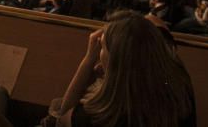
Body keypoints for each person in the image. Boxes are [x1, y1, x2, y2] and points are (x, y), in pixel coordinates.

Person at [50, 12, 195, 126]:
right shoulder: (179, 81)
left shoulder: (96, 117)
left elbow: (61, 118)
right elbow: (153, 20)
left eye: (102, 47)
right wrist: (124, 30)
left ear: (116, 64)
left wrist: (88, 60)